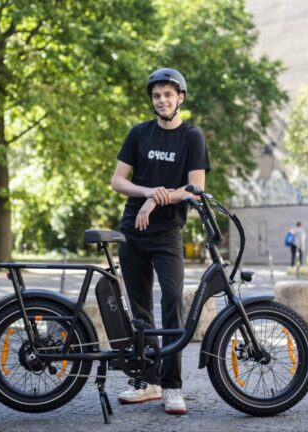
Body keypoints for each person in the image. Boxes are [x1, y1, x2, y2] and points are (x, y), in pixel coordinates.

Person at [110, 68, 210, 415]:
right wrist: (147, 191)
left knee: (172, 302)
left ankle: (172, 386)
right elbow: (118, 180)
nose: (162, 100)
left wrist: (158, 199)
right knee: (140, 311)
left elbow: (195, 190)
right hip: (133, 230)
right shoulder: (139, 133)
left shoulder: (191, 137)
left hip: (167, 233)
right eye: (157, 95)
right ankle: (150, 383)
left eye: (168, 94)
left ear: (180, 97)